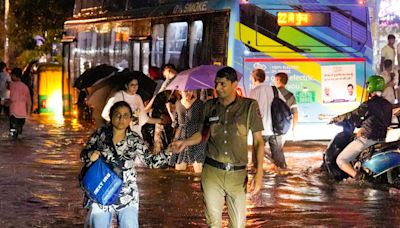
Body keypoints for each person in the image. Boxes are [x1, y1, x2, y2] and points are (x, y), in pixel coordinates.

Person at [170, 67, 265, 227]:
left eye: (222, 84)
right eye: (216, 84)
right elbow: (201, 134)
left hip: (238, 175)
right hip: (212, 173)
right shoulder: (209, 106)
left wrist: (259, 171)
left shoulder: (249, 107)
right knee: (213, 223)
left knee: (238, 225)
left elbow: (258, 141)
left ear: (235, 84)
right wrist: (184, 142)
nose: (218, 88)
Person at [81, 101, 171, 227]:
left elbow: (151, 162)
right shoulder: (100, 134)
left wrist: (170, 151)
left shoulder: (134, 139)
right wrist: (90, 154)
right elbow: (83, 155)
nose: (121, 118)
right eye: (117, 115)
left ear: (130, 118)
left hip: (127, 194)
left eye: (125, 115)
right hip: (102, 191)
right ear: (111, 117)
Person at [330, 75, 392, 180]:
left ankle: (359, 177)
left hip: (367, 139)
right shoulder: (388, 105)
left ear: (370, 86)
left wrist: (336, 119)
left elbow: (353, 115)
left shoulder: (369, 104)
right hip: (382, 138)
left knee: (341, 160)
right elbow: (386, 122)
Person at [249, 69, 288, 170]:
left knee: (257, 161)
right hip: (275, 129)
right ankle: (281, 178)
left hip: (260, 130)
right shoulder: (274, 89)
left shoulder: (254, 92)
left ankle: (258, 178)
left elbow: (251, 110)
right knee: (280, 162)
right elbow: (283, 105)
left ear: (254, 79)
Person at [166, 90, 205, 173]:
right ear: (180, 91)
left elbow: (202, 122)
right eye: (185, 91)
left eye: (190, 90)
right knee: (179, 170)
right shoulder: (178, 104)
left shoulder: (199, 103)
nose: (188, 93)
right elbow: (175, 124)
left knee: (198, 169)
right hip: (180, 137)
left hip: (195, 137)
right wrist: (170, 112)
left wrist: (200, 136)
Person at [8, 67, 31, 139]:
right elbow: (29, 102)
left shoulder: (12, 85)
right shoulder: (25, 87)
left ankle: (13, 148)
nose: (11, 77)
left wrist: (6, 102)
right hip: (23, 115)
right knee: (19, 134)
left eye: (12, 75)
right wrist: (28, 114)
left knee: (12, 134)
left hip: (14, 114)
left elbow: (12, 99)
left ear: (15, 76)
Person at [274, 72, 299, 137]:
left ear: (278, 80)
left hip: (271, 126)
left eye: (275, 80)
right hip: (284, 126)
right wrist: (294, 129)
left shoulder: (271, 92)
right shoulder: (291, 96)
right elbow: (295, 114)